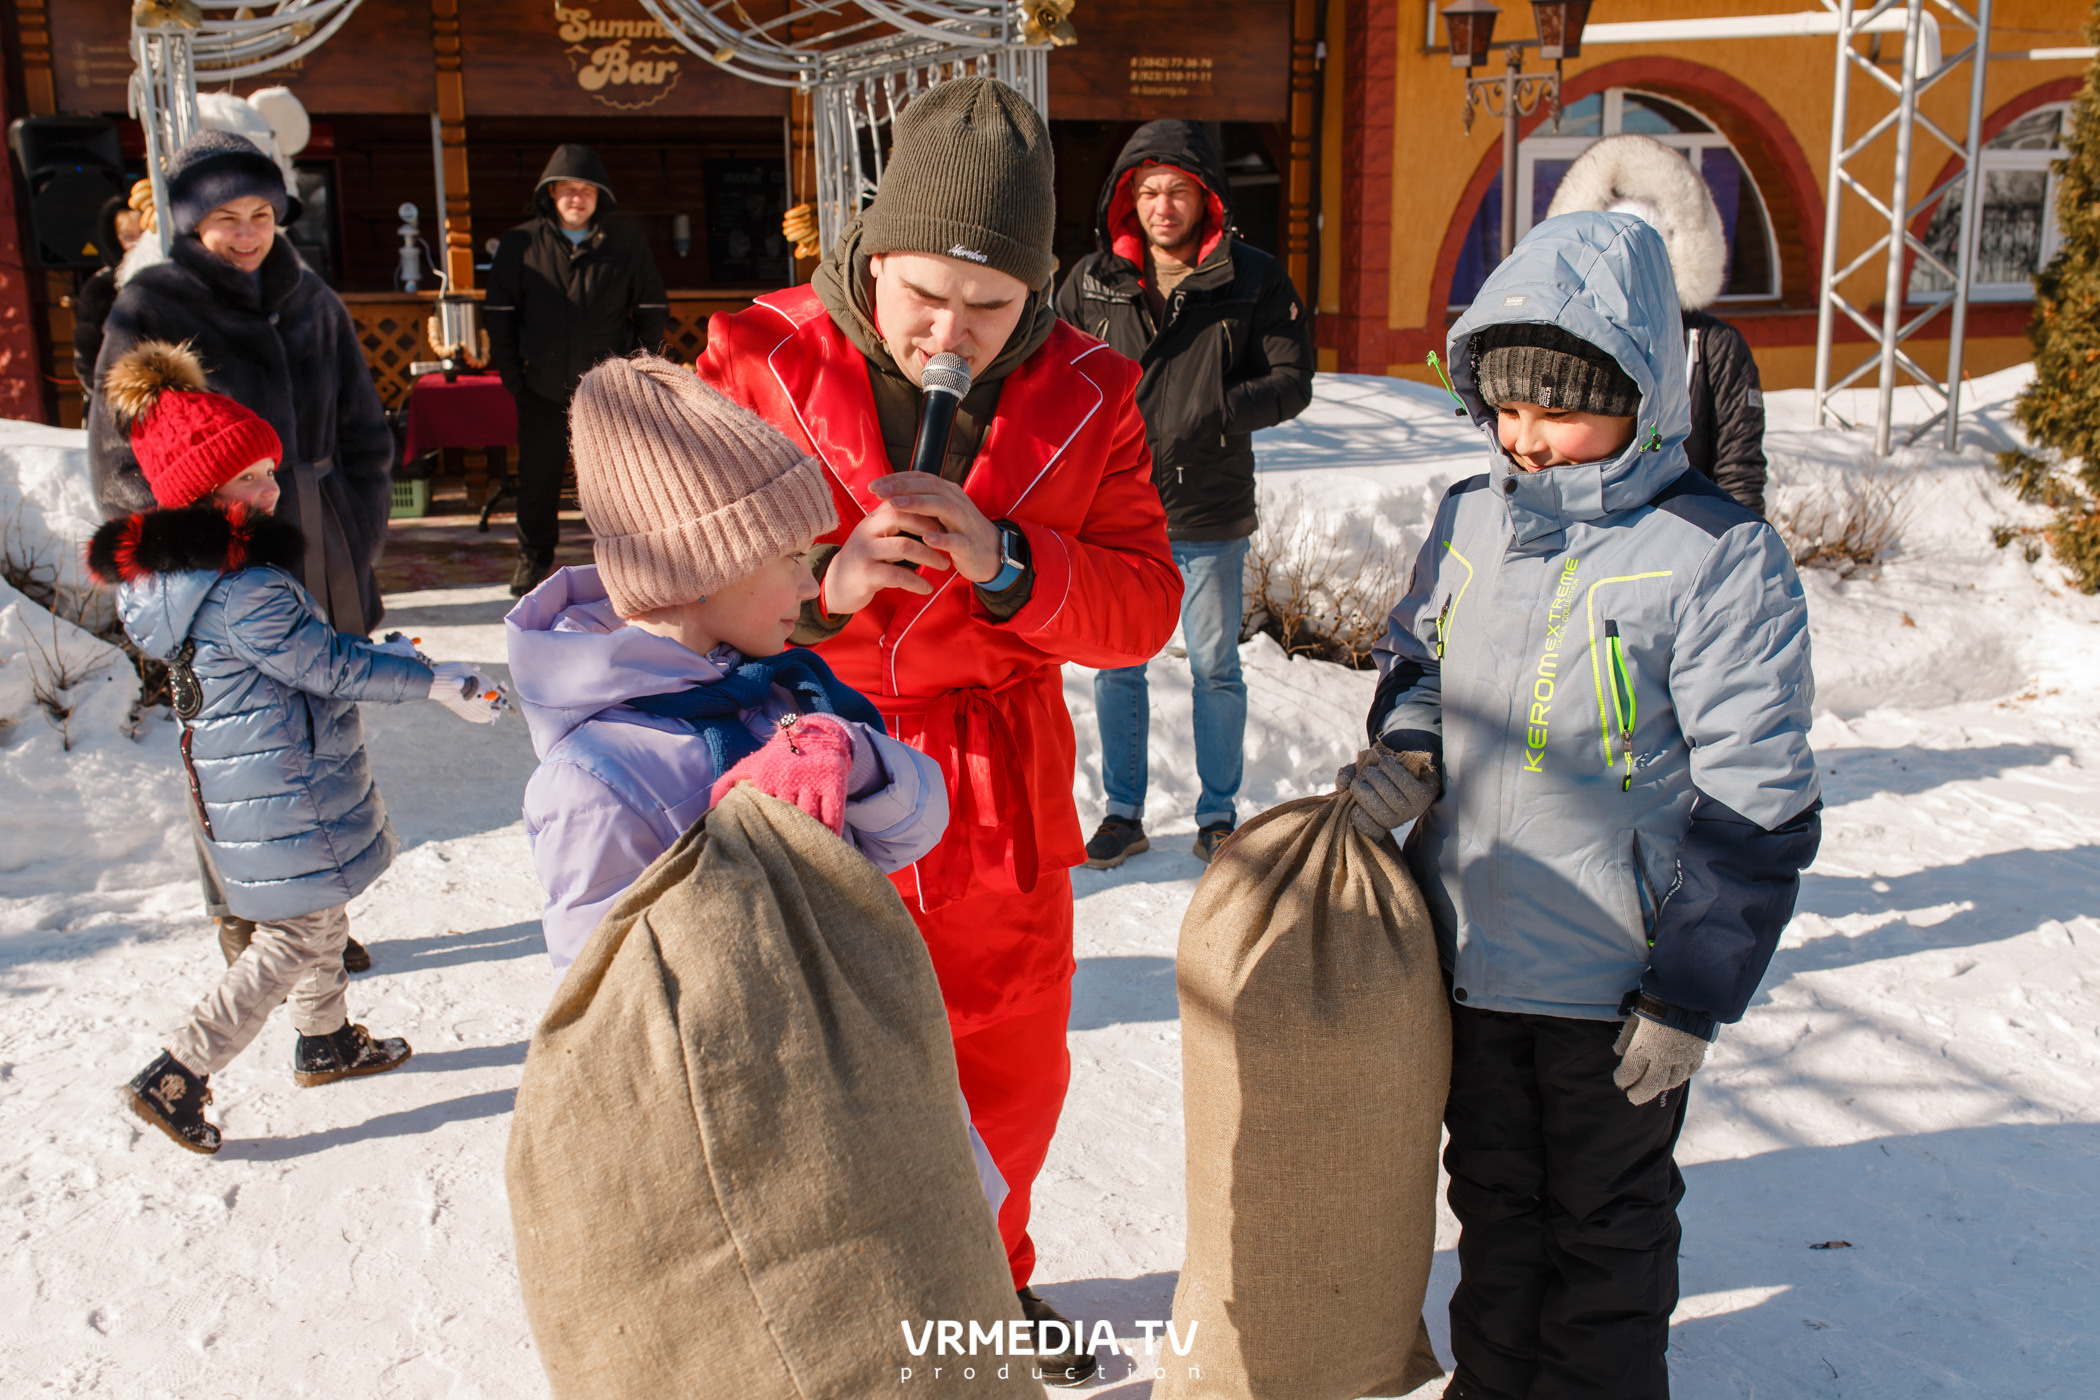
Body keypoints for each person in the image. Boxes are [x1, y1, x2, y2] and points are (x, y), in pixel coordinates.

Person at [693, 77, 1183, 1386]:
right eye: (923, 295)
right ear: (871, 249)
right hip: (806, 762)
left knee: (1003, 1064)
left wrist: (1016, 563)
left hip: (990, 780)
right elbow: (666, 570)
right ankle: (827, 1307)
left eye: (991, 307)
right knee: (800, 1064)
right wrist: (818, 584)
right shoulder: (756, 357)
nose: (950, 331)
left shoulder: (1092, 390)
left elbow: (1142, 607)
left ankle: (987, 1285)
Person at [1351, 212, 1820, 1400]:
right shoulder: (1470, 518)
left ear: (1642, 392)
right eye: (1507, 407)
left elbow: (1759, 797)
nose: (1527, 437)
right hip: (1468, 959)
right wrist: (1409, 750)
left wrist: (1690, 991)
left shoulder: (1714, 555)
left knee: (1605, 1222)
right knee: (1497, 1201)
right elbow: (1416, 662)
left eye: (1559, 407)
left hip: (1619, 980)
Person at [88, 341, 506, 1156]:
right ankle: (177, 1070)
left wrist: (393, 651)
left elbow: (300, 655)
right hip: (283, 780)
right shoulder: (244, 589)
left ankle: (326, 1039)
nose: (272, 486)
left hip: (251, 779)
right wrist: (428, 680)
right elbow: (326, 664)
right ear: (205, 495)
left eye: (271, 469)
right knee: (296, 933)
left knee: (316, 904)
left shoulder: (188, 583)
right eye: (251, 477)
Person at [507, 352, 949, 971]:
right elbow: (609, 1006)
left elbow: (912, 831)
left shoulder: (776, 691)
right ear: (705, 570)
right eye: (793, 557)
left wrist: (858, 760)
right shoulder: (593, 780)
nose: (808, 585)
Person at [88, 129, 400, 973]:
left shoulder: (314, 300)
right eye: (226, 217)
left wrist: (356, 526)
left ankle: (316, 913)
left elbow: (369, 433)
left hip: (319, 541)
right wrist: (189, 556)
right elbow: (119, 460)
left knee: (318, 731)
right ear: (190, 222)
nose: (247, 233)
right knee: (235, 745)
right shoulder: (149, 307)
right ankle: (244, 911)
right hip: (215, 562)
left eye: (261, 213)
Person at [1054, 120, 1314, 866]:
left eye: (1175, 191)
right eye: (1145, 192)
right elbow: (1055, 376)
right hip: (1116, 507)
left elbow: (1292, 379)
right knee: (1116, 664)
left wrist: (1215, 410)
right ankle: (1123, 813)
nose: (1160, 206)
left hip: (1209, 503)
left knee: (1213, 667)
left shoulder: (1254, 278)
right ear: (1125, 202)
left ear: (1205, 198)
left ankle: (1218, 814)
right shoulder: (1091, 282)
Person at [1547, 134, 1769, 514]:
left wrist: (1739, 557)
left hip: (1687, 545)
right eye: (1615, 256)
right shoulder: (1560, 339)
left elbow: (1739, 472)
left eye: (1648, 254)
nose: (1631, 272)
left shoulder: (1712, 346)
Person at [485, 145, 669, 597]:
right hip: (542, 388)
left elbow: (651, 310)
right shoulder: (520, 244)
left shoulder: (625, 245)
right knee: (538, 481)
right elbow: (498, 315)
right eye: (566, 190)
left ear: (598, 196)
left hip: (609, 390)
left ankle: (637, 563)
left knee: (622, 480)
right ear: (550, 195)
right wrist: (514, 376)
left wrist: (638, 369)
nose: (575, 198)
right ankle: (533, 560)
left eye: (584, 190)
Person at [71, 193, 146, 394]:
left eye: (143, 233)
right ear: (113, 238)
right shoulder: (101, 286)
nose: (137, 243)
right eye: (127, 236)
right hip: (121, 397)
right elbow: (88, 353)